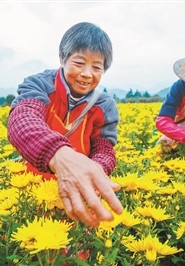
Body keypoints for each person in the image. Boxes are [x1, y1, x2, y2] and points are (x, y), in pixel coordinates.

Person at [7, 22, 123, 227]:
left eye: (97, 67)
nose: (87, 73)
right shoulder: (39, 85)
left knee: (75, 249)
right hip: (31, 188)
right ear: (62, 58)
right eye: (79, 63)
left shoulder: (104, 104)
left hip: (78, 190)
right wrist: (59, 154)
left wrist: (95, 172)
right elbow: (22, 120)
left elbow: (104, 149)